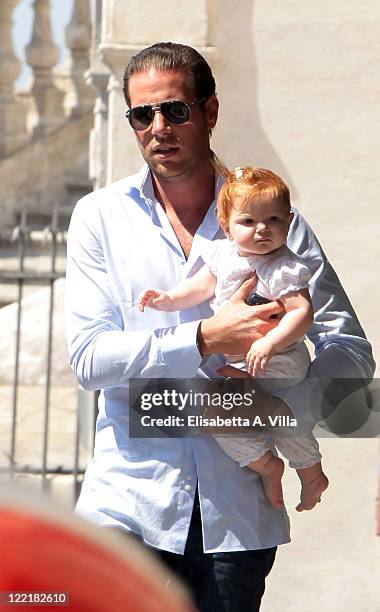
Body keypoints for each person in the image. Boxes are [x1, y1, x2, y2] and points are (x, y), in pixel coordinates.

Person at [65, 42, 375, 612]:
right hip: (129, 503)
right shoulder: (99, 218)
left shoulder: (275, 224)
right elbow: (89, 360)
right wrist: (204, 338)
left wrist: (275, 407)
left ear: (210, 111)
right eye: (142, 115)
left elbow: (351, 350)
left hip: (236, 518)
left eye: (175, 110)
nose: (158, 127)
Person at [139, 165, 329, 512]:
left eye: (273, 220)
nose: (262, 230)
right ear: (226, 226)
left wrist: (269, 343)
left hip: (281, 357)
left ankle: (310, 470)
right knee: (214, 415)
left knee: (280, 417)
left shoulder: (282, 266)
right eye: (249, 222)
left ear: (287, 223)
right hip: (242, 362)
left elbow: (301, 311)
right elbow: (200, 287)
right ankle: (265, 464)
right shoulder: (223, 255)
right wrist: (168, 299)